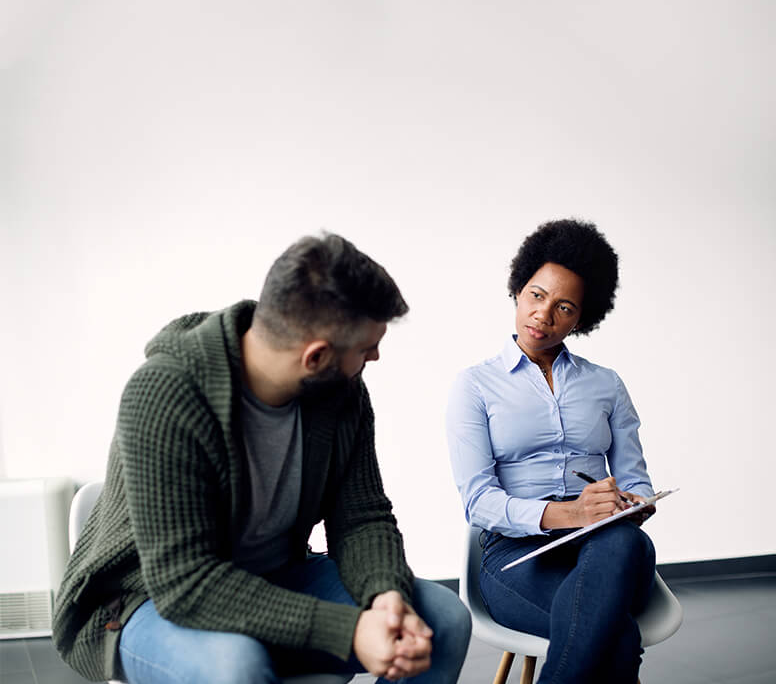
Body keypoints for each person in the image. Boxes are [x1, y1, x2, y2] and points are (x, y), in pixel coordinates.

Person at [54, 232, 471, 684]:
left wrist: (385, 594)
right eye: (366, 347)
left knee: (443, 621)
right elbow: (185, 583)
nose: (375, 355)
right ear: (316, 357)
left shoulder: (341, 391)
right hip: (148, 599)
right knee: (237, 667)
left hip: (278, 576)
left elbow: (362, 518)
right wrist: (350, 631)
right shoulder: (166, 393)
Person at [446, 219, 656, 684]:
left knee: (623, 539)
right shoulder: (475, 386)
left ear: (582, 318)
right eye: (536, 296)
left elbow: (635, 478)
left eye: (564, 307)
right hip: (517, 556)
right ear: (518, 290)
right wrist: (569, 514)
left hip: (605, 548)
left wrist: (632, 503)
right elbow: (478, 502)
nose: (543, 315)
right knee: (617, 641)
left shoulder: (607, 385)